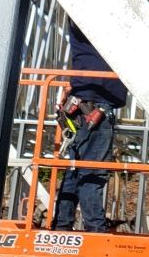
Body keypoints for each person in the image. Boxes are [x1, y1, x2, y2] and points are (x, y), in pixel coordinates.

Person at [52, 20, 128, 233]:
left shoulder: (86, 21)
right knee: (91, 174)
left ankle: (62, 225)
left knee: (75, 170)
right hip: (97, 109)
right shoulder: (98, 19)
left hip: (84, 106)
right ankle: (95, 229)